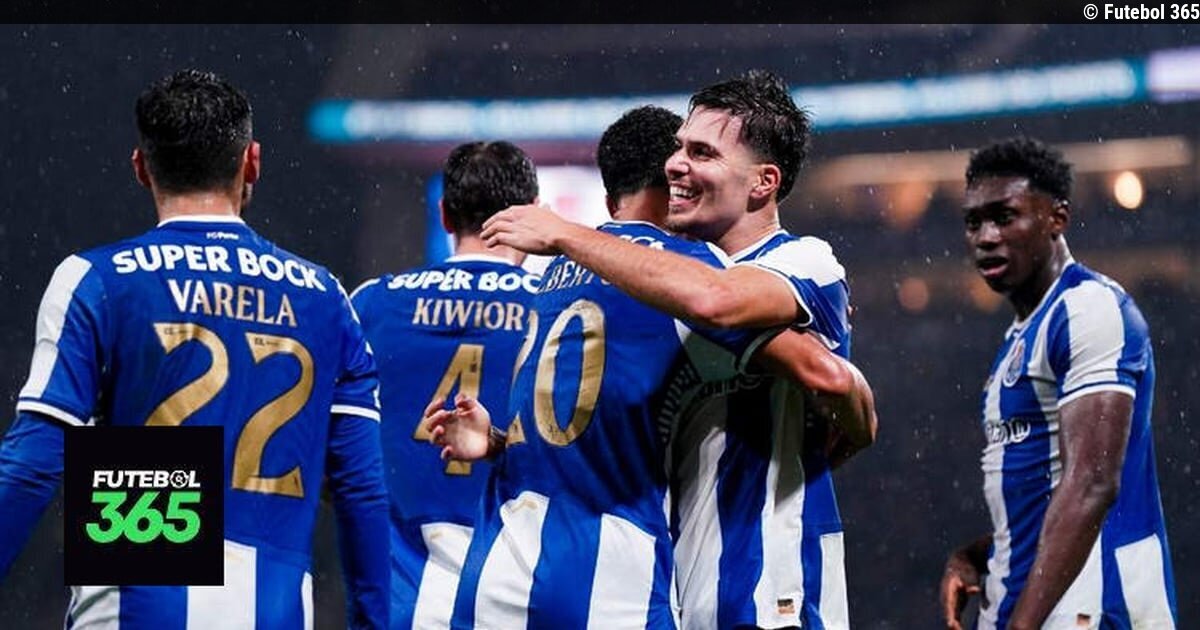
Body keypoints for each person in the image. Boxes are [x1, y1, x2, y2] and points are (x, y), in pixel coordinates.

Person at [429, 105, 876, 629]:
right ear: (671, 187)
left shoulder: (555, 277)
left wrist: (502, 443)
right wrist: (853, 419)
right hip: (618, 580)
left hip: (499, 566)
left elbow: (583, 426)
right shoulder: (682, 278)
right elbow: (826, 375)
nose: (683, 167)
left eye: (700, 153)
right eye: (682, 153)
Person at [0, 69, 388, 628]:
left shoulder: (99, 280)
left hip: (138, 595)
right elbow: (361, 490)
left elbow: (33, 463)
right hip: (272, 607)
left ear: (141, 167)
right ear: (252, 162)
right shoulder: (325, 298)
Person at [939, 137, 1176, 630]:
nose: (985, 237)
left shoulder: (1088, 308)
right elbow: (1042, 502)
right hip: (1037, 606)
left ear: (1057, 218)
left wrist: (1022, 626)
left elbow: (1091, 484)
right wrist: (980, 555)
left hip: (1092, 607)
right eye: (974, 222)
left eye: (1005, 217)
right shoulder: (1023, 333)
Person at [350, 141, 539, 629]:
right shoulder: (556, 310)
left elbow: (337, 455)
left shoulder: (372, 304)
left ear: (445, 214)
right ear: (531, 215)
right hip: (518, 597)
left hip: (399, 597)